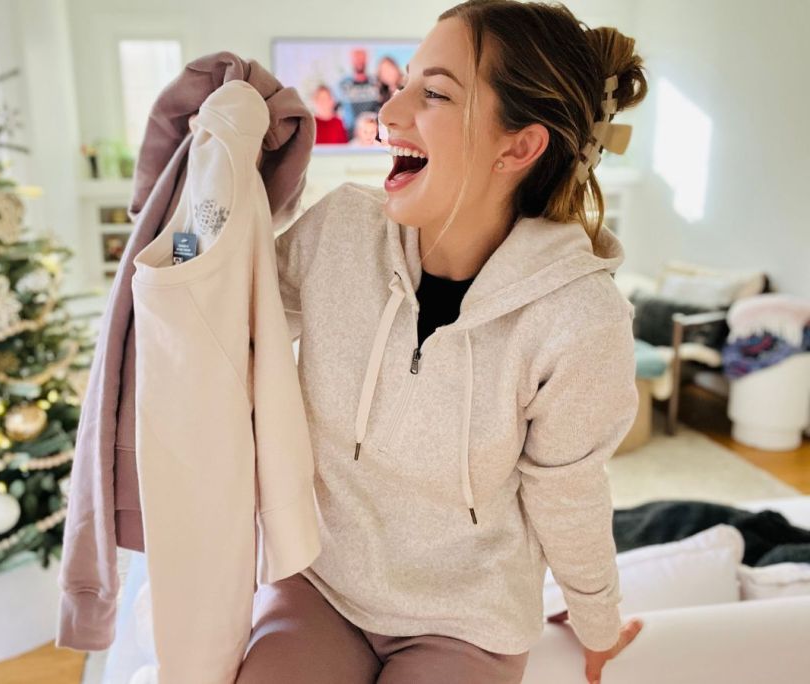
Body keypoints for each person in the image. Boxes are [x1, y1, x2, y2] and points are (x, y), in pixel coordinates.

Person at [236, 2, 648, 683]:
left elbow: (569, 492)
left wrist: (596, 621)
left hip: (466, 623)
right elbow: (227, 328)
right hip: (321, 586)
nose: (388, 116)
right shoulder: (340, 232)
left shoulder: (581, 322)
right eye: (404, 87)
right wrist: (214, 197)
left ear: (518, 147)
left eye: (433, 93)